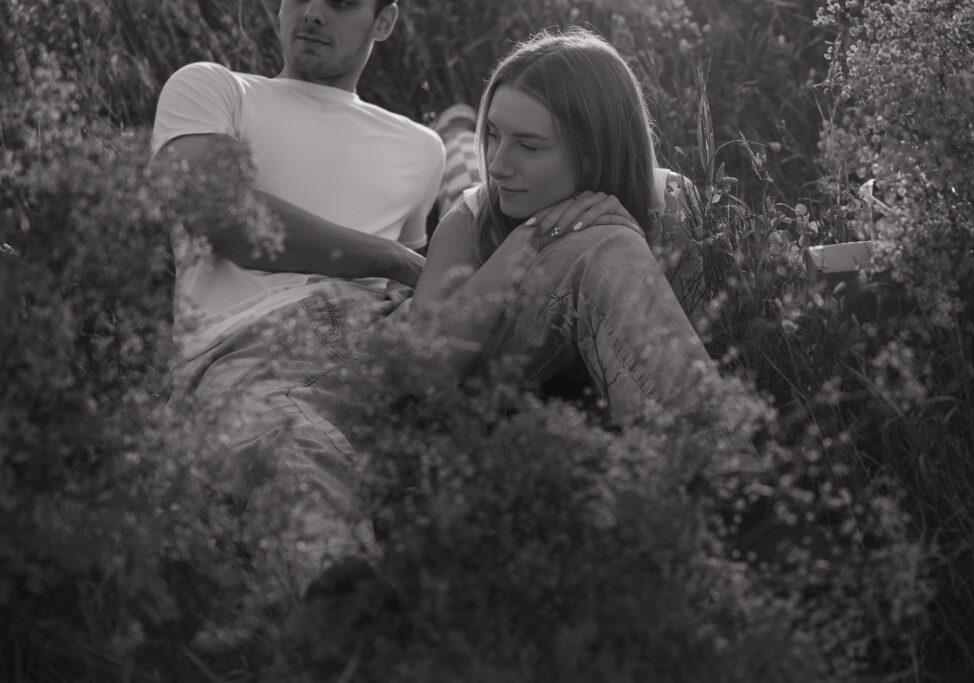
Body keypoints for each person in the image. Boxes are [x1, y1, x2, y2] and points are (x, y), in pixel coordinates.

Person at [149, 0, 445, 592]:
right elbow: (219, 212)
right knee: (286, 455)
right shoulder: (214, 89)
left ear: (383, 22)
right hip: (249, 347)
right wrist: (388, 256)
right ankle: (352, 625)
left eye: (339, 3)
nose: (312, 13)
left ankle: (681, 439)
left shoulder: (422, 149)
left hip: (389, 329)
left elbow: (421, 286)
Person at [412, 27, 717, 427]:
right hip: (495, 416)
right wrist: (527, 241)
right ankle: (455, 130)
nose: (499, 164)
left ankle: (455, 129)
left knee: (609, 243)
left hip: (593, 435)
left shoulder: (671, 203)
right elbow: (414, 369)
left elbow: (692, 348)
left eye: (529, 145)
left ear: (595, 152)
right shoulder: (467, 221)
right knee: (463, 179)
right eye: (492, 135)